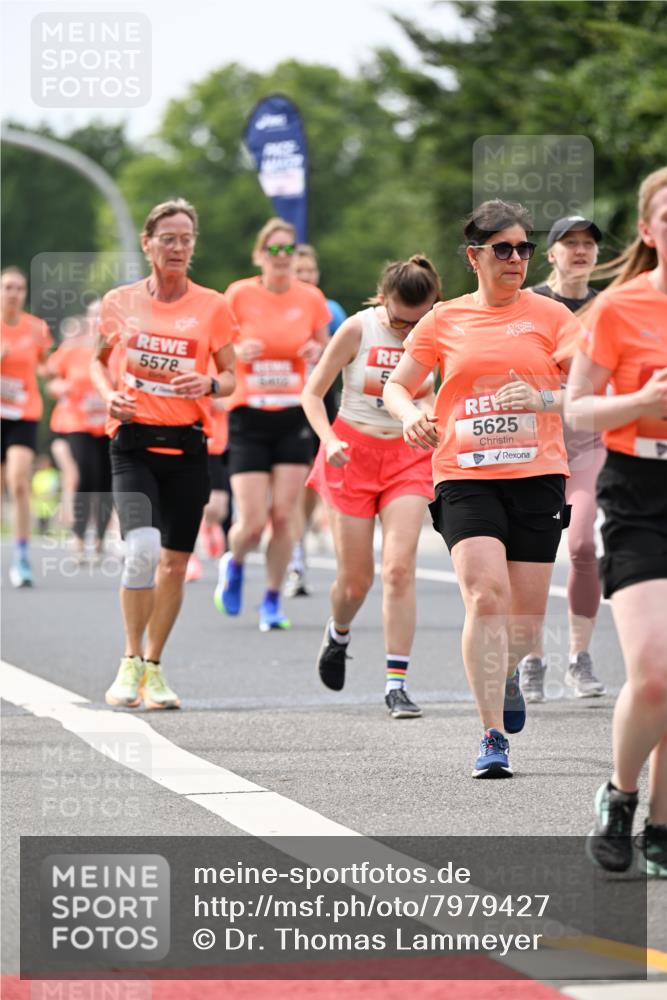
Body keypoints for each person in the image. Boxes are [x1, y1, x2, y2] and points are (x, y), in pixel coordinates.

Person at [384, 199, 583, 777]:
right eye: (503, 249)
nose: (516, 259)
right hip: (463, 474)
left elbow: (587, 395)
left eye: (523, 248)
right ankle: (491, 734)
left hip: (537, 474)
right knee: (485, 597)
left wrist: (542, 398)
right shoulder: (444, 319)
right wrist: (407, 415)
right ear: (475, 257)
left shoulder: (551, 317)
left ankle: (510, 670)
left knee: (521, 622)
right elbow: (399, 385)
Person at [91, 198, 237, 710]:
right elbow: (98, 362)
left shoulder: (213, 305)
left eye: (187, 239)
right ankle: (129, 660)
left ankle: (154, 666)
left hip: (187, 447)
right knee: (143, 550)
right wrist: (108, 395)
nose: (178, 247)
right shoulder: (120, 302)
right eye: (169, 238)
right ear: (148, 243)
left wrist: (211, 381)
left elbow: (232, 376)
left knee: (175, 564)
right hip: (132, 445)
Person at [566, 167, 667, 876]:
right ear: (647, 229)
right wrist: (639, 401)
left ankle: (662, 826)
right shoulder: (618, 308)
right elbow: (575, 408)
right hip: (639, 494)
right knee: (654, 672)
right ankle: (620, 793)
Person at [303, 256, 440, 717]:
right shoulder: (359, 330)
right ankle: (338, 632)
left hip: (408, 456)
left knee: (399, 569)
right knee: (355, 582)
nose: (406, 330)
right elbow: (313, 392)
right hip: (352, 453)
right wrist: (329, 439)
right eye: (399, 319)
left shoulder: (440, 330)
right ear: (384, 301)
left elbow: (447, 391)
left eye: (416, 321)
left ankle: (396, 684)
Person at [214, 218, 331, 631]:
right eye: (274, 250)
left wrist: (316, 350)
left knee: (284, 516)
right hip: (248, 414)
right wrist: (239, 350)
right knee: (251, 521)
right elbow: (219, 351)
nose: (281, 258)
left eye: (288, 250)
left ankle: (271, 599)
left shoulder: (311, 298)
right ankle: (236, 562)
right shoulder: (240, 295)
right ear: (260, 254)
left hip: (293, 414)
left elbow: (324, 349)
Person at [519, 216, 607, 700]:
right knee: (533, 556)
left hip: (588, 443)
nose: (580, 251)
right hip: (533, 444)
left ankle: (580, 657)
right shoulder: (530, 304)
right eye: (569, 243)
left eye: (588, 244)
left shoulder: (607, 306)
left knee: (581, 547)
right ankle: (533, 659)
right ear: (550, 253)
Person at [286, 243, 347, 598]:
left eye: (311, 271)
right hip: (288, 402)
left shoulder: (331, 310)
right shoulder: (278, 307)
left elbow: (348, 353)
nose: (307, 278)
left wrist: (323, 351)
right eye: (300, 272)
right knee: (294, 481)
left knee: (317, 475)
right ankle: (296, 555)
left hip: (321, 399)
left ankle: (305, 530)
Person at [47, 301, 113, 561]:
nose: (98, 321)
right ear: (87, 320)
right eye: (94, 316)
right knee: (85, 476)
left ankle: (98, 541)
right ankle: (78, 536)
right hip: (77, 423)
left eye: (103, 316)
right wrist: (58, 387)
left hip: (108, 424)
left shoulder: (116, 349)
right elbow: (50, 376)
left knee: (106, 482)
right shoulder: (73, 348)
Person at [1, 266, 53, 587]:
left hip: (24, 412)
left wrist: (55, 377)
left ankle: (21, 555)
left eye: (19, 288)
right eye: (7, 287)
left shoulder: (37, 329)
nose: (13, 293)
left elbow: (46, 365)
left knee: (19, 481)